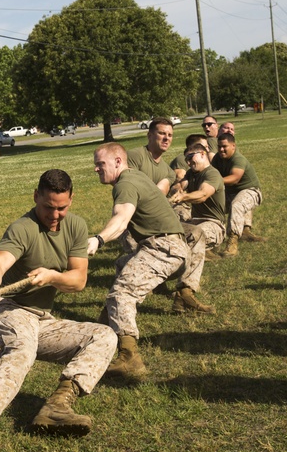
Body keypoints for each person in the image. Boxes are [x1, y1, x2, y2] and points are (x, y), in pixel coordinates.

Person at [0, 169, 118, 452]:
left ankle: (57, 408)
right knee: (21, 350)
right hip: (5, 310)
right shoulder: (23, 227)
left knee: (102, 335)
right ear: (36, 196)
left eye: (61, 207)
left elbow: (78, 281)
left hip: (40, 320)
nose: (54, 214)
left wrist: (52, 276)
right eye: (48, 206)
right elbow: (0, 261)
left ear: (71, 200)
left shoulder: (75, 227)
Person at [86, 143, 208, 376]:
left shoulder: (126, 184)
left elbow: (121, 218)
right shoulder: (136, 177)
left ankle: (129, 357)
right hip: (171, 248)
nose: (96, 169)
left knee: (122, 293)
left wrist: (98, 240)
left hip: (164, 249)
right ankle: (102, 329)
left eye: (100, 164)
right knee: (123, 266)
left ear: (118, 162)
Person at [170, 143, 227, 280]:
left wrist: (183, 196)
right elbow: (180, 185)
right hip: (194, 222)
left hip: (214, 225)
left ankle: (185, 288)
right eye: (186, 160)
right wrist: (177, 190)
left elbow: (203, 194)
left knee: (191, 239)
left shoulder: (212, 174)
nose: (188, 163)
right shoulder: (191, 173)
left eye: (190, 157)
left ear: (202, 154)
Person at [211, 132, 265, 256]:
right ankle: (210, 240)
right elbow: (211, 173)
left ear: (233, 146)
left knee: (237, 204)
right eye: (219, 146)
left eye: (224, 146)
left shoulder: (238, 159)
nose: (221, 149)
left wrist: (214, 182)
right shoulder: (217, 159)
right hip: (230, 193)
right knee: (211, 205)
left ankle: (232, 241)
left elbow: (234, 178)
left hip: (250, 191)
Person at [126, 117, 176, 195]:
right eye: (162, 133)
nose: (166, 138)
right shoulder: (135, 156)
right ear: (149, 136)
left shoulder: (169, 173)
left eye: (170, 135)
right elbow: (129, 189)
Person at [168, 134, 212, 221]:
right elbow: (180, 179)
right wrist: (179, 191)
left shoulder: (209, 170)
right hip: (182, 203)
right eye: (205, 146)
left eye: (207, 146)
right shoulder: (183, 160)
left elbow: (203, 193)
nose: (207, 149)